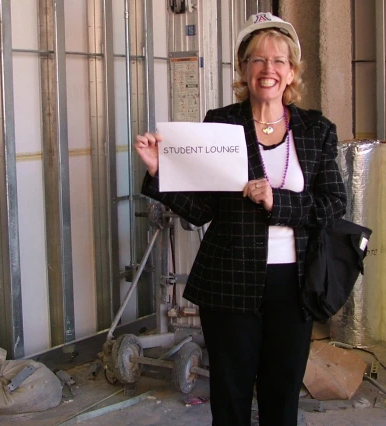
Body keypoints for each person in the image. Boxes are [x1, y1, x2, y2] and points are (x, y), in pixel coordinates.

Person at [134, 12, 347, 426]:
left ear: (291, 73)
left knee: (281, 393)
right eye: (257, 59)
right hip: (229, 281)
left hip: (294, 282)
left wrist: (278, 202)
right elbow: (201, 210)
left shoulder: (315, 129)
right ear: (243, 68)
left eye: (279, 61)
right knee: (229, 396)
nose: (268, 69)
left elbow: (333, 203)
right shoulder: (222, 123)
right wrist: (161, 170)